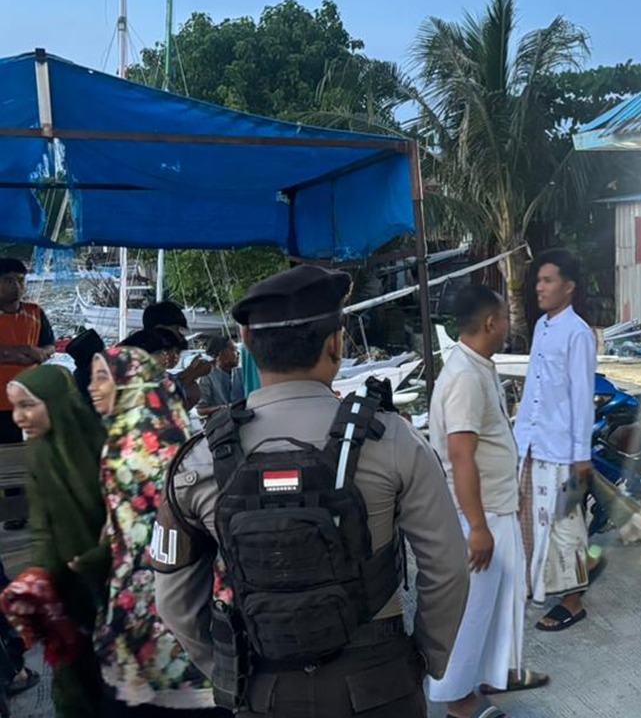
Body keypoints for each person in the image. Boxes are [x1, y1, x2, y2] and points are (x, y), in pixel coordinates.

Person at [152, 265, 469, 718]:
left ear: (246, 341)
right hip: (380, 681)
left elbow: (174, 604)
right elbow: (448, 568)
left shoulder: (199, 460)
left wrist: (229, 669)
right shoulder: (394, 440)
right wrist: (426, 659)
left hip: (264, 688)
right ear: (336, 343)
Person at [428, 285, 548, 718]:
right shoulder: (464, 376)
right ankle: (458, 703)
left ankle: (477, 685)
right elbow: (461, 454)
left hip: (494, 509)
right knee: (471, 613)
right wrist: (477, 526)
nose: (510, 325)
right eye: (506, 317)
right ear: (490, 323)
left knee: (494, 610)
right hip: (478, 516)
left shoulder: (478, 366)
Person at [89, 345, 226, 716]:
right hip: (147, 592)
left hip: (163, 588)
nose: (92, 388)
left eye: (102, 378)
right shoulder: (131, 433)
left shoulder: (149, 441)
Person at [5, 364, 107, 716]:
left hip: (116, 582)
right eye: (15, 407)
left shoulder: (106, 447)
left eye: (28, 406)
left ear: (57, 404)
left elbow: (129, 519)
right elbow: (41, 523)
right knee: (74, 677)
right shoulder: (39, 452)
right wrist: (41, 573)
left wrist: (100, 556)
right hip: (66, 584)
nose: (18, 417)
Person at [514, 249, 599, 632]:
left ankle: (573, 601)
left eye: (548, 281)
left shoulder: (578, 333)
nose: (540, 287)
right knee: (532, 519)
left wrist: (581, 455)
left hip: (563, 448)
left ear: (569, 287)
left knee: (566, 524)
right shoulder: (542, 327)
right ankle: (538, 584)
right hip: (532, 442)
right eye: (538, 281)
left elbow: (582, 396)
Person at [0, 257, 55, 529]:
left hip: (30, 400)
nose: (16, 286)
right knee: (5, 459)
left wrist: (39, 353)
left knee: (31, 457)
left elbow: (50, 345)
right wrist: (14, 353)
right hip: (0, 403)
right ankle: (12, 512)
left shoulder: (35, 312)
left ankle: (26, 511)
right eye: (9, 280)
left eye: (20, 281)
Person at [196, 336, 243, 418]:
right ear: (221, 354)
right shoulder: (207, 377)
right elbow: (200, 410)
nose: (238, 353)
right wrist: (221, 408)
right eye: (234, 350)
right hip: (222, 422)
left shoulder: (242, 372)